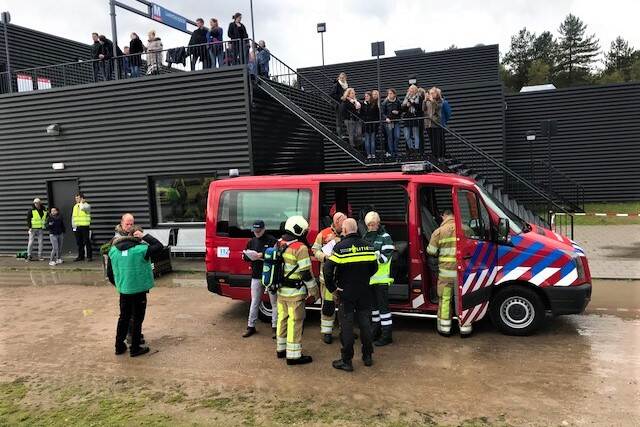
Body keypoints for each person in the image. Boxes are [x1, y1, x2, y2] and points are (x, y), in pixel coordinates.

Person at [323, 218, 378, 372]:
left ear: (345, 231)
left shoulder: (340, 248)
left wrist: (333, 288)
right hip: (364, 291)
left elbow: (327, 270)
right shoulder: (368, 247)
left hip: (345, 292)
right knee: (365, 324)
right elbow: (374, 268)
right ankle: (367, 357)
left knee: (346, 327)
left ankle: (347, 360)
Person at [107, 215, 163, 357]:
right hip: (138, 290)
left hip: (124, 290)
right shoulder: (141, 250)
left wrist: (120, 284)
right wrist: (144, 236)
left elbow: (110, 272)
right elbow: (159, 246)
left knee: (123, 317)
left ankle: (119, 346)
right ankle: (135, 348)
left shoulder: (113, 250)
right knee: (137, 318)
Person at [275, 215, 320, 365]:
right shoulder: (300, 248)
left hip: (281, 292)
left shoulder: (279, 243)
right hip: (295, 293)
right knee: (295, 322)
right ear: (299, 230)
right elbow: (306, 273)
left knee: (282, 319)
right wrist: (314, 291)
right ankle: (293, 355)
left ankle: (281, 349)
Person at [426, 209, 469, 336]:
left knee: (445, 300)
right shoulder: (465, 229)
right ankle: (465, 328)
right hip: (462, 274)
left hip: (446, 274)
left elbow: (431, 251)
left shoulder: (439, 232)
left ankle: (445, 328)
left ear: (443, 216)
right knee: (463, 299)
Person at [311, 211, 347, 344]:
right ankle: (327, 332)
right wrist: (325, 257)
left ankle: (345, 331)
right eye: (343, 223)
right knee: (328, 306)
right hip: (327, 279)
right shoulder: (323, 233)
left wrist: (338, 240)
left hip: (343, 278)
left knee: (345, 307)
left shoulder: (346, 233)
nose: (345, 226)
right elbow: (315, 250)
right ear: (336, 222)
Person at [363, 211, 395, 346]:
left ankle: (387, 335)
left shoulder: (385, 237)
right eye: (369, 225)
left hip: (381, 280)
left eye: (373, 224)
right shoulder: (365, 236)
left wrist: (372, 255)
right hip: (370, 280)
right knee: (373, 309)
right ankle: (375, 331)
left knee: (384, 309)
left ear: (378, 223)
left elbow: (385, 257)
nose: (371, 227)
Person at [242, 220, 278, 338]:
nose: (256, 233)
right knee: (254, 301)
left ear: (263, 229)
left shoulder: (272, 240)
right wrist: (248, 256)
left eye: (259, 231)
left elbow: (277, 255)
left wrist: (263, 255)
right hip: (256, 275)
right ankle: (250, 326)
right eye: (255, 231)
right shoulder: (251, 242)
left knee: (274, 303)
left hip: (270, 275)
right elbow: (245, 256)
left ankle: (275, 327)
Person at [401, 84, 423, 155]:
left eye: (413, 89)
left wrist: (412, 102)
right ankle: (411, 148)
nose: (411, 91)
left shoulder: (419, 97)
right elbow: (403, 109)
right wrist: (406, 106)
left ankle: (416, 149)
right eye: (410, 89)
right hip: (407, 118)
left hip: (415, 117)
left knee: (415, 135)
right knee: (407, 135)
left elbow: (419, 108)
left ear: (415, 90)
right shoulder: (406, 97)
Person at [381, 88, 402, 157]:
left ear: (394, 94)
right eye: (388, 93)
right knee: (390, 137)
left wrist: (398, 112)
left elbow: (401, 110)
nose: (389, 95)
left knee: (397, 136)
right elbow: (382, 113)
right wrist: (386, 118)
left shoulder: (398, 101)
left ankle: (396, 150)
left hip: (396, 121)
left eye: (391, 93)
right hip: (389, 122)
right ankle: (392, 152)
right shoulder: (385, 102)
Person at [72, 192, 92, 262]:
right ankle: (81, 256)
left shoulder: (87, 206)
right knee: (79, 242)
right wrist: (74, 227)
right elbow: (73, 217)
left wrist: (81, 203)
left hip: (84, 226)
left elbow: (83, 209)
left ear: (82, 198)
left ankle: (89, 256)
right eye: (75, 198)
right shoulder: (75, 206)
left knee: (86, 241)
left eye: (77, 198)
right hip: (77, 227)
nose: (76, 199)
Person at [360, 91, 379, 159]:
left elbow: (377, 115)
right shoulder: (362, 104)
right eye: (365, 96)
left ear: (370, 96)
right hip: (366, 125)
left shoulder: (374, 104)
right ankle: (368, 154)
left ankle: (373, 154)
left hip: (373, 125)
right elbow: (361, 115)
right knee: (367, 140)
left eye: (367, 96)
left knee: (372, 140)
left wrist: (376, 123)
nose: (366, 97)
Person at [423, 88, 441, 159]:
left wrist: (432, 101)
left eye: (432, 93)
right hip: (428, 124)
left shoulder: (439, 101)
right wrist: (424, 100)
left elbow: (437, 108)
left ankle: (438, 155)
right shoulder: (428, 101)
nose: (431, 94)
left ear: (436, 94)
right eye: (430, 93)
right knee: (431, 140)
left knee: (436, 140)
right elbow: (423, 109)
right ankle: (434, 154)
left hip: (436, 123)